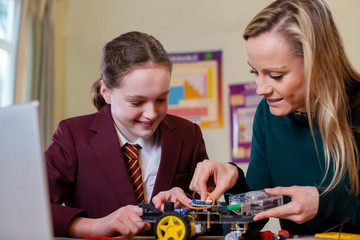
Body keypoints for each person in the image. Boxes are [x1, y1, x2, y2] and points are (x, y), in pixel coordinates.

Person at [154, 0, 360, 235]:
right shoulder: (268, 113)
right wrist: (229, 181)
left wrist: (326, 204)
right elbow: (252, 216)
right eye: (255, 72)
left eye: (275, 75)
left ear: (319, 64)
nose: (261, 89)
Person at [45, 31, 209, 238]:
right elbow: (30, 206)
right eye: (136, 102)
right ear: (107, 93)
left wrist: (188, 202)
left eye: (161, 99)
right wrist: (94, 226)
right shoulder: (73, 136)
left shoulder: (188, 135)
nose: (151, 114)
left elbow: (208, 208)